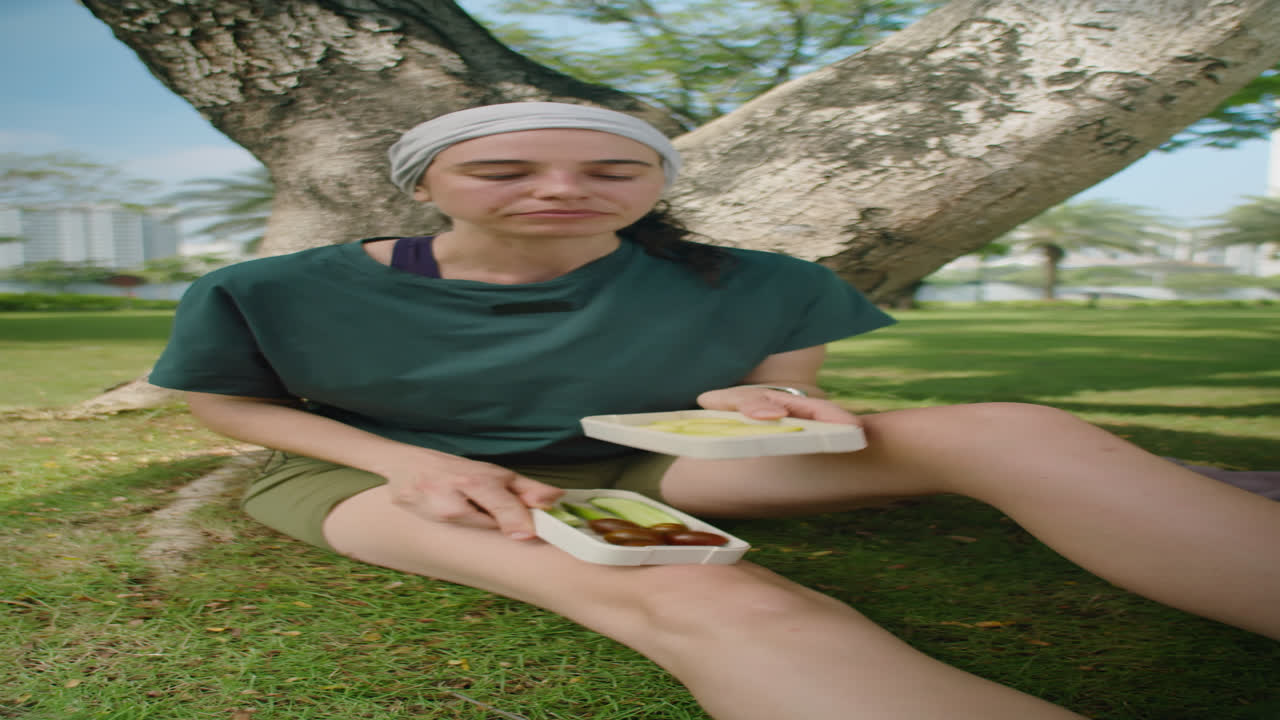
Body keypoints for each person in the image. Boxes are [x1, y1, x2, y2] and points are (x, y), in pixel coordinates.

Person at [148, 101, 1280, 720]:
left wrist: (770, 401)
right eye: (505, 171)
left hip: (650, 462)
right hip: (375, 473)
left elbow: (792, 395)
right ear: (426, 183)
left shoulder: (760, 280)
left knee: (1015, 431)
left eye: (607, 171)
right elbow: (223, 401)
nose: (560, 191)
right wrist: (404, 465)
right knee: (721, 596)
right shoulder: (272, 289)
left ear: (652, 186)